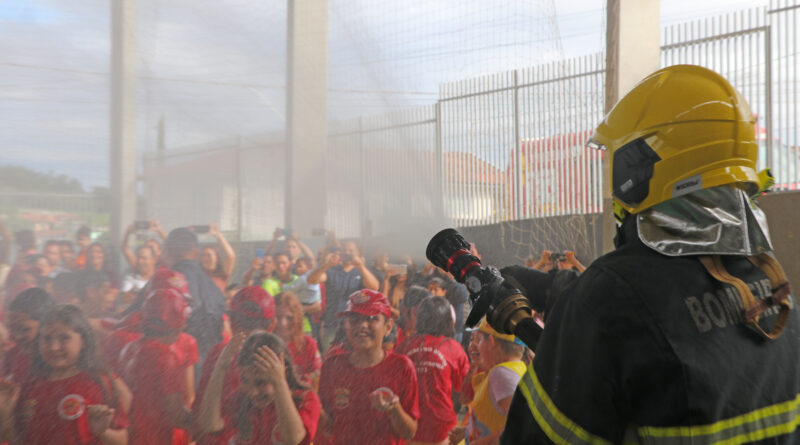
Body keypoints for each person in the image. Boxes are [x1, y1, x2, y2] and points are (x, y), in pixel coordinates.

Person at [499, 65, 800, 443]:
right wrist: (563, 292)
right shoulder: (771, 288)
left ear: (638, 167)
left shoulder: (605, 302)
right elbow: (666, 317)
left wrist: (577, 309)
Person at [0, 304, 129, 445]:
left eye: (64, 338)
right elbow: (19, 441)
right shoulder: (31, 385)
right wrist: (5, 413)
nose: (54, 347)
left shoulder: (98, 383)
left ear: (83, 341)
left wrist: (103, 432)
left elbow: (122, 440)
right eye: (47, 338)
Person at [318, 289, 419, 444]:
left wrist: (394, 409)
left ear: (388, 326)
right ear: (345, 325)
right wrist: (312, 404)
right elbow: (328, 428)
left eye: (372, 318)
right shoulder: (332, 366)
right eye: (354, 319)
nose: (362, 325)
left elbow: (409, 433)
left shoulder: (401, 366)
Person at [193, 332, 321, 445]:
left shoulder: (304, 398)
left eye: (261, 382)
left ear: (284, 373)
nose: (253, 392)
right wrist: (220, 367)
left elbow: (293, 439)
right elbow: (209, 425)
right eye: (245, 381)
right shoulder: (241, 399)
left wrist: (279, 383)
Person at [193, 285, 276, 445]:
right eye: (242, 324)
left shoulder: (218, 353)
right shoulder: (276, 357)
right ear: (272, 325)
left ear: (230, 322)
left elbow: (200, 416)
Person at [119, 288, 193, 444]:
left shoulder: (128, 349)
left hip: (130, 437)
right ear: (179, 325)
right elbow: (177, 416)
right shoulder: (166, 357)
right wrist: (204, 421)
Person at [396, 296, 470, 445]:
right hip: (441, 428)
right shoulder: (453, 348)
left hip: (408, 425)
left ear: (419, 318)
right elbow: (465, 393)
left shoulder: (404, 346)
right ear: (449, 322)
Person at [164, 227, 227, 370]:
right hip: (210, 365)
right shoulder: (214, 288)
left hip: (177, 364)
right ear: (196, 253)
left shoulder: (165, 280)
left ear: (168, 250)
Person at [461, 319, 525, 445]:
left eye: (479, 340)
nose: (477, 346)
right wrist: (466, 431)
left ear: (490, 342)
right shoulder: (513, 369)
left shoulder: (502, 375)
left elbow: (518, 427)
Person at [307, 241, 380, 352]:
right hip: (332, 323)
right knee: (330, 356)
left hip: (354, 324)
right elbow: (311, 280)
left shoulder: (361, 272)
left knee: (355, 358)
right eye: (344, 250)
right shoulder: (332, 270)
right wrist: (327, 264)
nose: (347, 253)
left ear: (357, 253)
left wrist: (360, 266)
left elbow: (374, 287)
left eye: (351, 251)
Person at [4, 288, 56, 383]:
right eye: (12, 328)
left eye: (25, 329)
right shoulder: (12, 356)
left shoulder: (58, 362)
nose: (17, 336)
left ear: (47, 326)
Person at [274, 292, 322, 389]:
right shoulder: (264, 343)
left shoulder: (308, 344)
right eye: (277, 317)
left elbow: (318, 377)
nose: (283, 323)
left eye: (289, 318)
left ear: (297, 318)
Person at [199, 223, 237, 293]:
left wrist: (218, 235)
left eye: (209, 255)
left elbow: (231, 256)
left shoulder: (222, 273)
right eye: (203, 255)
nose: (206, 258)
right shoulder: (198, 274)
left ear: (216, 258)